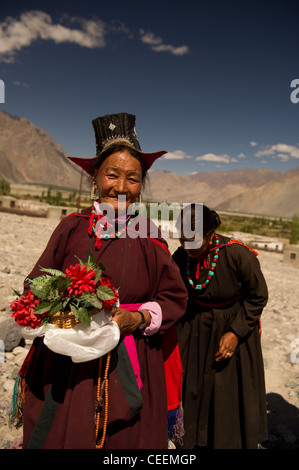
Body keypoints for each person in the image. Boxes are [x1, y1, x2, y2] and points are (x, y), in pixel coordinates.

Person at [12, 113, 187, 449]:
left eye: (133, 179)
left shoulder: (150, 235)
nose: (121, 188)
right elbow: (34, 284)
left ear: (141, 184)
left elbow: (174, 297)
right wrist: (54, 308)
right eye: (112, 174)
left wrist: (137, 317)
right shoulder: (72, 227)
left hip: (128, 359)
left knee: (123, 442)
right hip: (64, 359)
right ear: (95, 177)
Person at [172, 203, 268, 449]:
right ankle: (191, 441)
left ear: (210, 233)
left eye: (195, 240)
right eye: (183, 240)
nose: (188, 247)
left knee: (225, 391)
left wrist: (236, 332)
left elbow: (257, 296)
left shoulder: (237, 255)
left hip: (231, 327)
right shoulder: (181, 256)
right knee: (191, 386)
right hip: (194, 327)